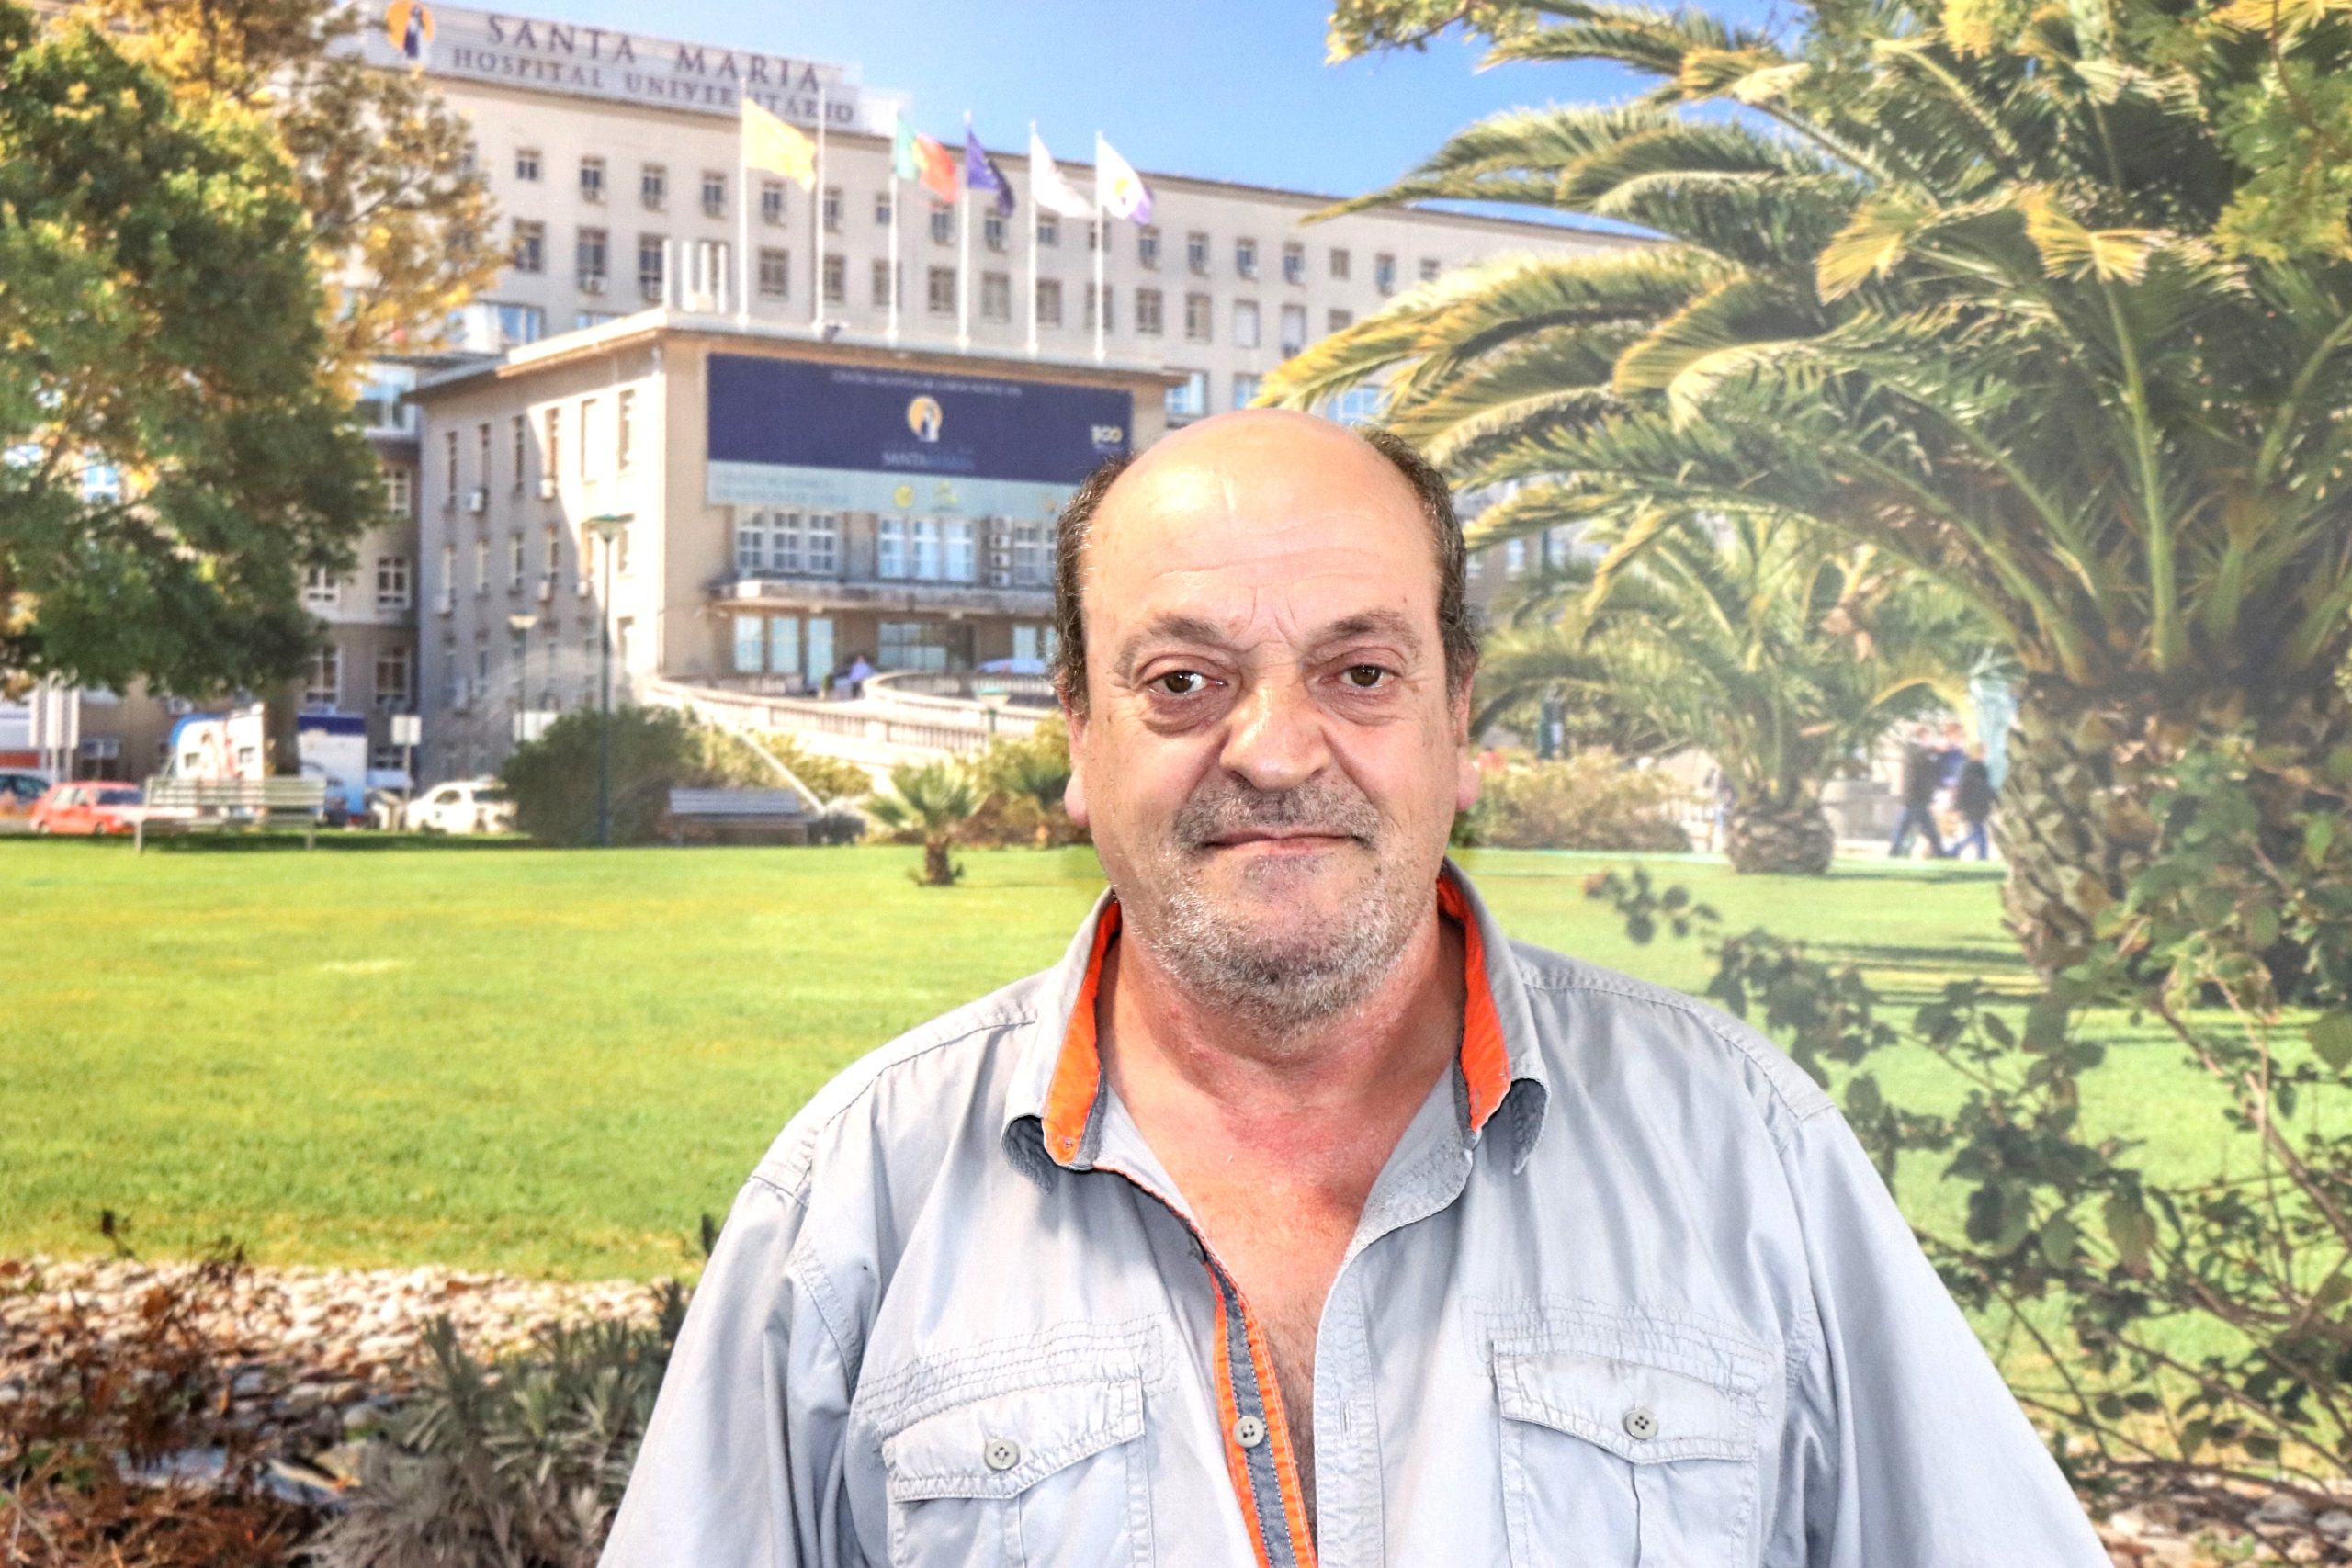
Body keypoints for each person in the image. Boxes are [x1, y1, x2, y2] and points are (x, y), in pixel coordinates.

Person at [601, 412, 2104, 1567]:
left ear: (1458, 716)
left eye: (1360, 671)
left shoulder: (1746, 1154)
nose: (1275, 749)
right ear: (1077, 735)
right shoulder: (857, 1201)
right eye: (1183, 681)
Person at [1889, 724, 1947, 859]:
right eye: (1926, 734)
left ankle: (1939, 852)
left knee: (1924, 828)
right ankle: (1939, 852)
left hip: (1921, 797)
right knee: (1909, 827)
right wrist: (1934, 748)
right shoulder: (1911, 748)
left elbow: (1932, 768)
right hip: (1913, 796)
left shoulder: (1924, 751)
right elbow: (1919, 756)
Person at [1956, 742, 1996, 860]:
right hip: (1975, 806)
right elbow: (1979, 787)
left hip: (1975, 806)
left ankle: (1981, 856)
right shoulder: (1975, 768)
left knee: (1976, 833)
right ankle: (1981, 856)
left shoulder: (1971, 767)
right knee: (1978, 833)